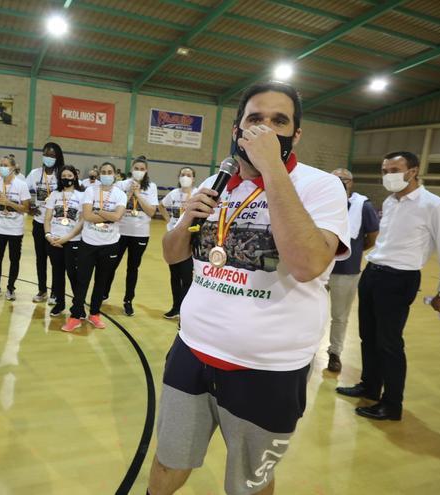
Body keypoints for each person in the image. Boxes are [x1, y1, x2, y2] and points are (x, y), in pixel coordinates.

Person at [149, 81, 350, 495]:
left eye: (279, 121)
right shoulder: (218, 184)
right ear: (236, 129)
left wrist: (273, 167)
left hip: (266, 368)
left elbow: (309, 264)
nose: (264, 128)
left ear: (295, 135)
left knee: (249, 481)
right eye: (254, 119)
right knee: (170, 457)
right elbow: (172, 255)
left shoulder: (320, 186)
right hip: (192, 350)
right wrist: (187, 218)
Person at [337, 151, 440, 421]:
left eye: (394, 170)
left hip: (399, 279)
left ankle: (391, 404)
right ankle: (370, 386)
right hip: (373, 273)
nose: (388, 176)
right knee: (368, 336)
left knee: (389, 343)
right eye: (384, 171)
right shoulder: (391, 201)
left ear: (413, 171)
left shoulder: (434, 206)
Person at [324, 168, 379, 373]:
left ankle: (335, 353)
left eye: (343, 180)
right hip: (319, 268)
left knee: (339, 316)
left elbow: (372, 237)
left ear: (351, 183)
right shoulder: (323, 202)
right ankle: (307, 349)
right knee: (312, 310)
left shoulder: (362, 206)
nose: (338, 183)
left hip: (346, 271)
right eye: (334, 179)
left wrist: (350, 252)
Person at [61, 162, 127, 332]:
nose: (106, 174)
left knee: (101, 281)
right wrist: (108, 216)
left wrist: (99, 212)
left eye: (109, 172)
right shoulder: (90, 191)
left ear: (115, 175)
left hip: (110, 245)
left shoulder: (120, 194)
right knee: (82, 281)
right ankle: (75, 316)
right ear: (99, 175)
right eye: (103, 172)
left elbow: (118, 217)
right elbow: (88, 216)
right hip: (88, 243)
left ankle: (95, 314)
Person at [104, 155, 158, 315]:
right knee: (111, 265)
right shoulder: (121, 185)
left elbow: (151, 212)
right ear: (131, 169)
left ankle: (128, 300)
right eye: (136, 168)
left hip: (140, 234)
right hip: (119, 233)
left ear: (146, 171)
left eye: (142, 169)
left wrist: (139, 195)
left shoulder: (151, 187)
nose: (139, 171)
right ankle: (103, 293)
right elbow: (115, 209)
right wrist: (129, 193)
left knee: (132, 268)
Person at [43, 165, 85, 317]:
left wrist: (67, 238)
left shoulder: (82, 195)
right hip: (54, 240)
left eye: (70, 176)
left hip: (73, 241)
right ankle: (60, 304)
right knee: (57, 273)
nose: (66, 179)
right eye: (64, 176)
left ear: (75, 177)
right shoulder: (55, 194)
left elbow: (82, 221)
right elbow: (47, 218)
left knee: (74, 275)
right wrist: (48, 236)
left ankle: (78, 307)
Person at [0, 156, 30, 301]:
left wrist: (8, 202)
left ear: (12, 167)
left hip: (15, 229)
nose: (2, 168)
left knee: (14, 260)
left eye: (5, 165)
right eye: (1, 165)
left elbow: (25, 208)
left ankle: (11, 288)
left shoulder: (21, 185)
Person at [158, 167, 196, 319]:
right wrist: (168, 221)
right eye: (182, 174)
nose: (185, 177)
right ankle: (175, 307)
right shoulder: (174, 194)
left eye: (188, 175)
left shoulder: (197, 193)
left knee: (187, 277)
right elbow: (161, 206)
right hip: (174, 238)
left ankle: (185, 310)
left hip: (190, 240)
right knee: (174, 275)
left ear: (193, 179)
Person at [26, 142, 62, 303]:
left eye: (52, 155)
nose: (49, 157)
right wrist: (29, 208)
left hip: (57, 225)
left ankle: (55, 292)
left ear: (58, 157)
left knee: (56, 260)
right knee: (40, 258)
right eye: (46, 154)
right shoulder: (34, 174)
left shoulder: (62, 173)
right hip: (39, 222)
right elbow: (24, 192)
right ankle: (42, 290)